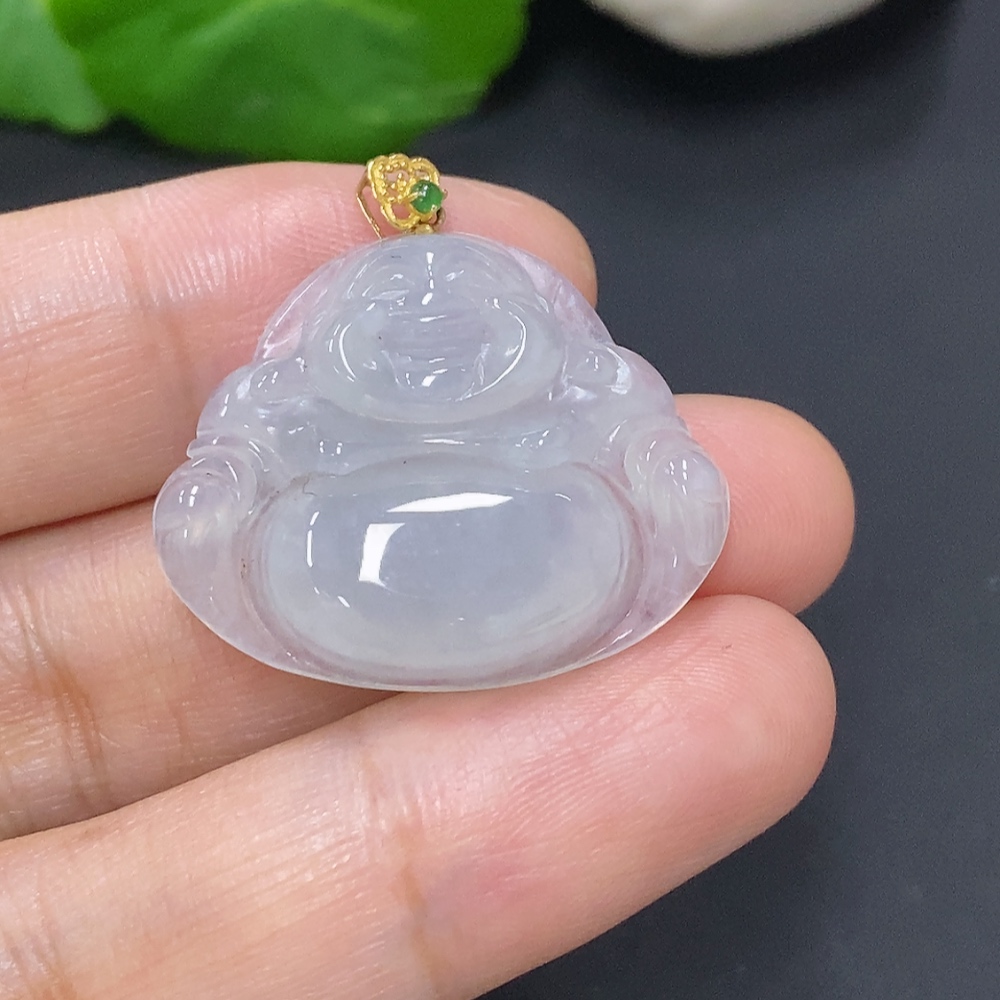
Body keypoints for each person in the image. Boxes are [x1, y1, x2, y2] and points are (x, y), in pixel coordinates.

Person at [0, 163, 853, 999]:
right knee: (296, 533)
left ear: (529, 324)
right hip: (342, 539)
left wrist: (663, 472)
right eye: (390, 316)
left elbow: (641, 437)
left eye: (464, 315)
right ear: (332, 333)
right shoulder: (297, 400)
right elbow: (236, 458)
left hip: (545, 524)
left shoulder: (577, 386)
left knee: (591, 515)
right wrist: (216, 495)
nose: (428, 332)